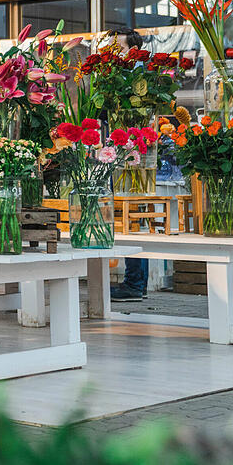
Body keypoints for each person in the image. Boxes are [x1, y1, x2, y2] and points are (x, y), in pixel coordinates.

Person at [108, 26, 149, 302]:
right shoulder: (112, 76)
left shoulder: (140, 78)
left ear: (134, 51)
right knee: (124, 218)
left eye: (119, 49)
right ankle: (134, 282)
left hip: (135, 157)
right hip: (118, 153)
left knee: (132, 217)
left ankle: (135, 283)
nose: (115, 54)